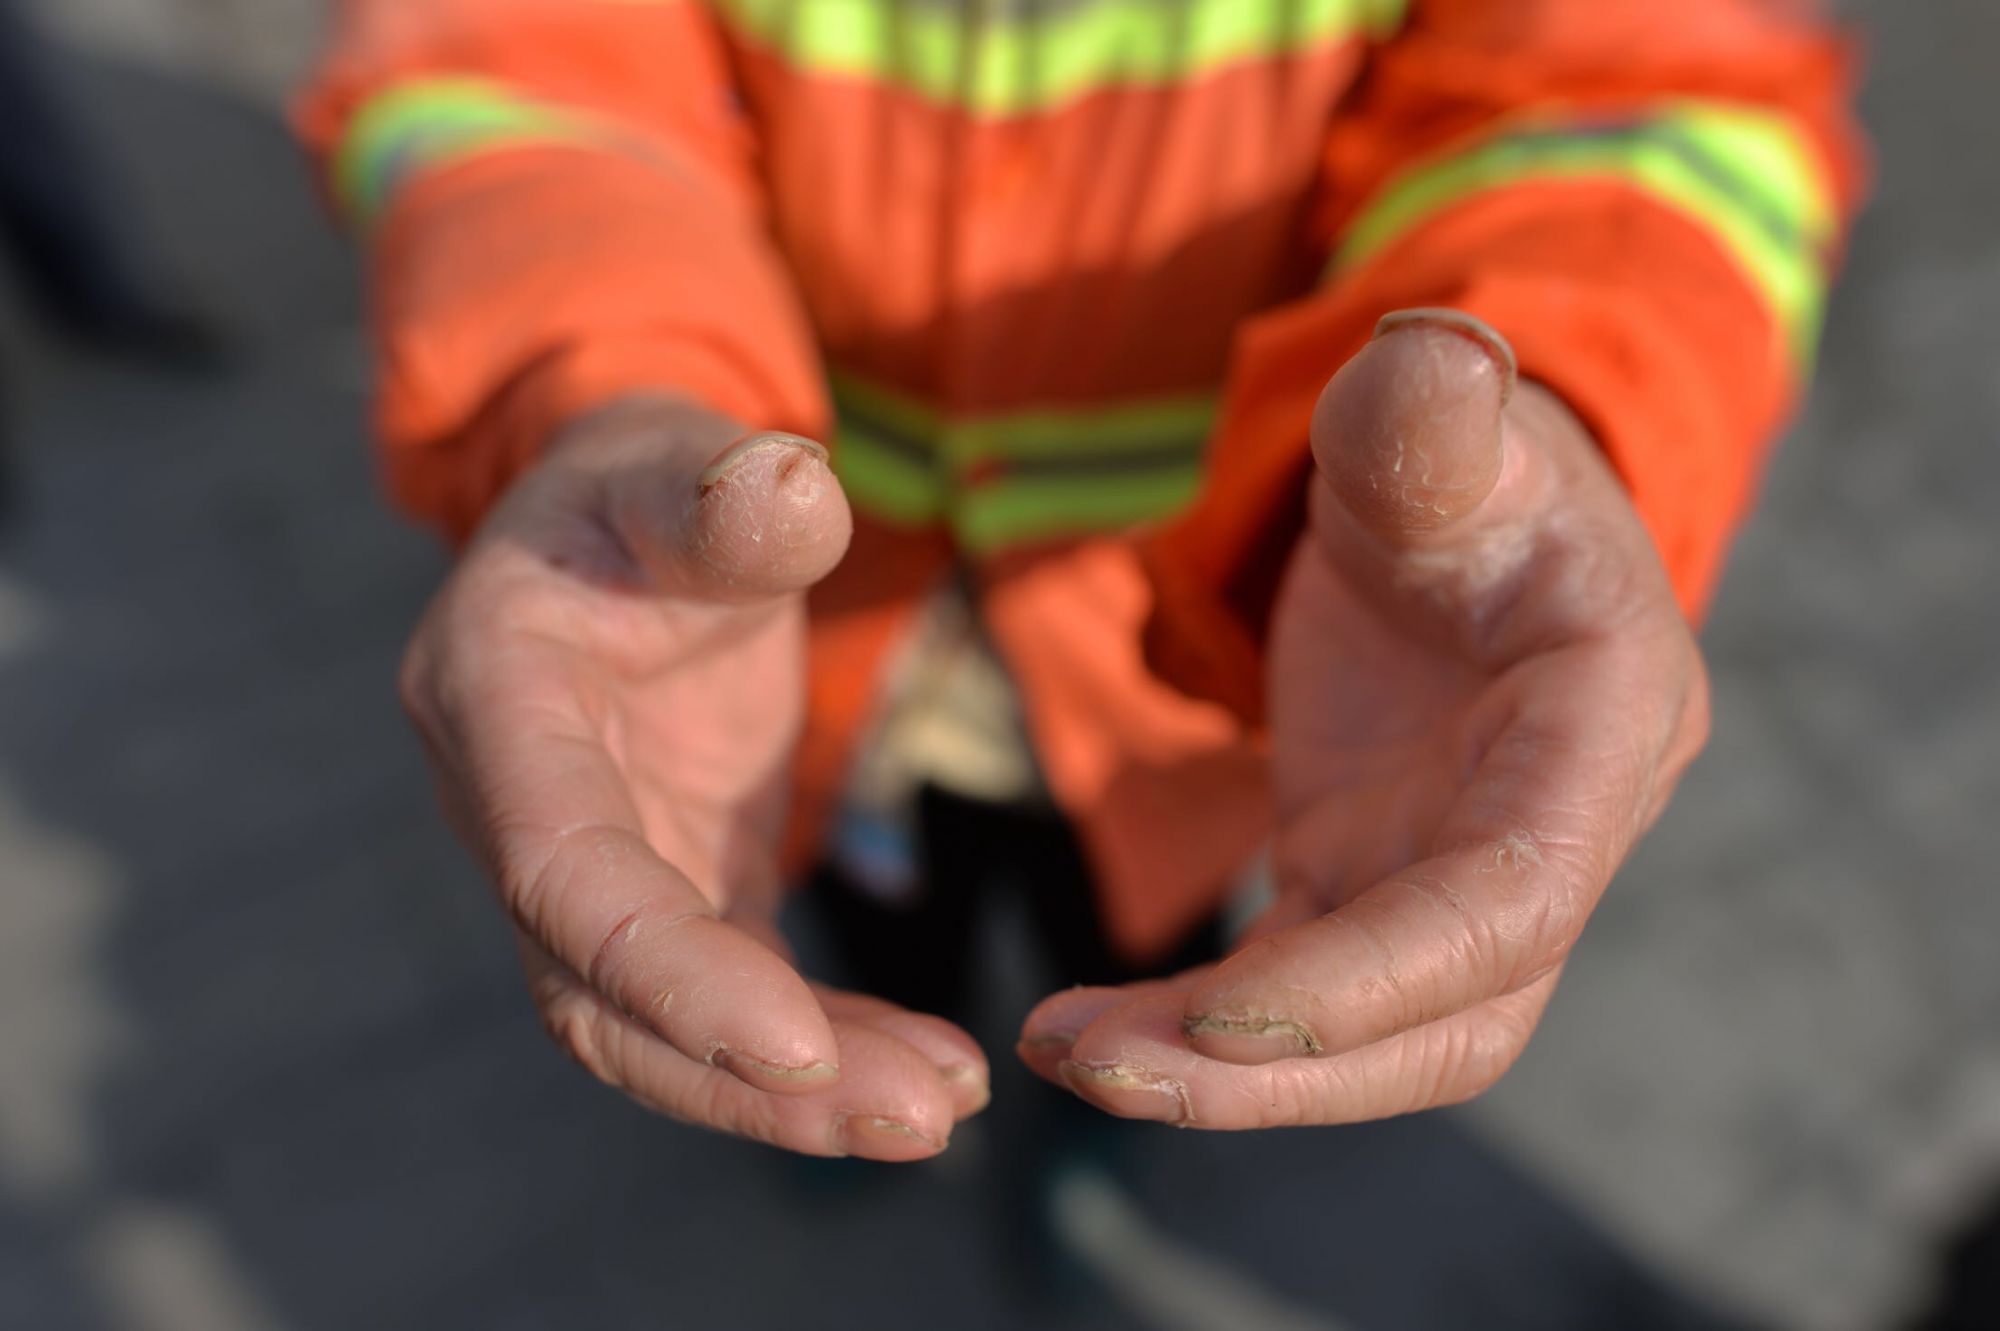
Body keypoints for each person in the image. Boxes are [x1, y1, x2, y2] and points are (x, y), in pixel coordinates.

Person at [298, 0, 1863, 1159]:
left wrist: (1560, 403)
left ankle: (1083, 1142)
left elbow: (1648, 93)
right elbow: (502, 66)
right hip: (795, 658)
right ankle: (903, 1106)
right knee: (855, 939)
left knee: (1134, 961)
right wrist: (601, 388)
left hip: (1193, 672)